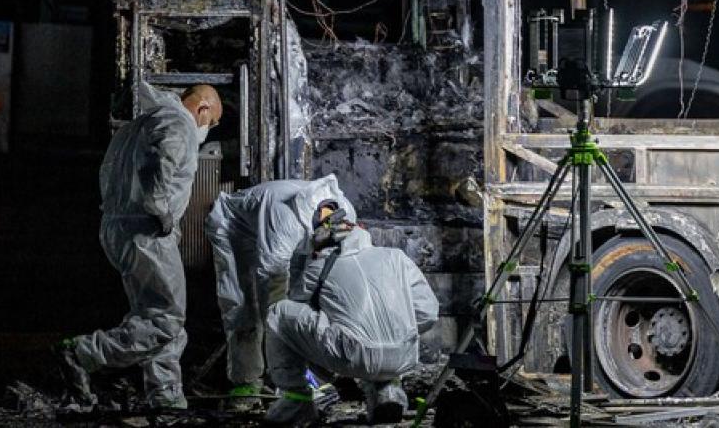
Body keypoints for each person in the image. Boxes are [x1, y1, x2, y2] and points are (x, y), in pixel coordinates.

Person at [56, 83, 222, 409]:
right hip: (147, 232)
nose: (208, 129)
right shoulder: (178, 122)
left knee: (158, 317)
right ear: (202, 108)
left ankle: (166, 398)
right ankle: (83, 353)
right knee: (166, 320)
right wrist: (161, 213)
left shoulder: (140, 124)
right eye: (211, 121)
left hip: (119, 226)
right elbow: (160, 166)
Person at [263, 220, 438, 426]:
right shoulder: (397, 257)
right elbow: (428, 313)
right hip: (403, 357)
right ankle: (387, 392)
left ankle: (297, 401)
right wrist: (397, 333)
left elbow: (297, 316)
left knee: (278, 313)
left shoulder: (319, 267)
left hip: (350, 356)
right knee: (379, 330)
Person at [205, 175, 356, 409]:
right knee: (245, 306)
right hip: (235, 228)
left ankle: (295, 373)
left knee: (300, 303)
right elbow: (274, 301)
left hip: (281, 234)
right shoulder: (284, 223)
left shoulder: (346, 213)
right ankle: (247, 382)